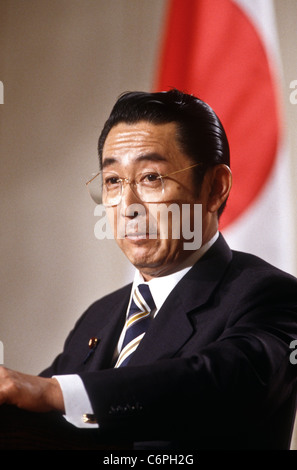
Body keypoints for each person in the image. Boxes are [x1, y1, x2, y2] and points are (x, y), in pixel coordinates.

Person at [0, 89, 297, 450]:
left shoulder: (270, 295)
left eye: (151, 178)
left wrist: (52, 391)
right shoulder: (99, 316)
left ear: (215, 187)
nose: (127, 207)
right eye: (112, 181)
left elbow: (221, 382)